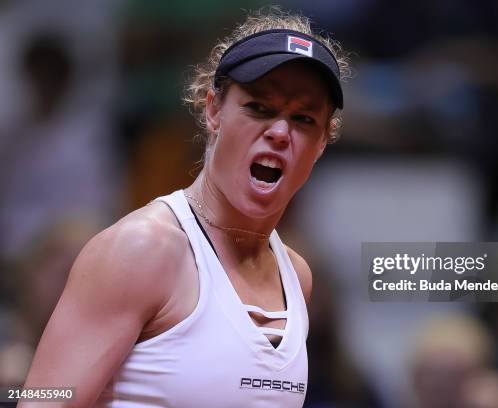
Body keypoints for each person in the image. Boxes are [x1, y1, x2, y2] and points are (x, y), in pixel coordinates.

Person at [20, 7, 350, 407]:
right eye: (259, 108)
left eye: (303, 118)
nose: (280, 132)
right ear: (213, 110)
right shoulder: (142, 249)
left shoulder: (297, 276)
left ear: (321, 144)